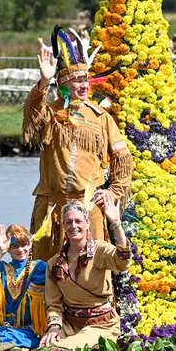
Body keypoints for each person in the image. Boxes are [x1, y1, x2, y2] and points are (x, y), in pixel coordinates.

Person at [24, 31, 133, 261]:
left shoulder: (101, 117)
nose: (84, 85)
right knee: (43, 271)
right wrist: (44, 81)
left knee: (91, 265)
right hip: (51, 206)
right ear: (63, 83)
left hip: (88, 204)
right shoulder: (51, 112)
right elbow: (31, 116)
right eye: (77, 80)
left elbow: (123, 159)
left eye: (86, 80)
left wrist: (112, 192)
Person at [38, 197, 131, 351]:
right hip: (69, 325)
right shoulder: (54, 263)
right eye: (68, 222)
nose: (73, 226)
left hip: (101, 325)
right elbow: (53, 304)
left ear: (87, 223)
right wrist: (54, 327)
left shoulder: (100, 250)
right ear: (64, 226)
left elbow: (122, 262)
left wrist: (116, 224)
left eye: (78, 221)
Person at [0, 224, 48, 349]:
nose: (20, 250)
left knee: (3, 339)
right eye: (14, 246)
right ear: (9, 249)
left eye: (24, 245)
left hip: (30, 329)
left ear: (30, 244)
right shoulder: (2, 268)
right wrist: (0, 252)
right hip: (4, 325)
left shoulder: (40, 267)